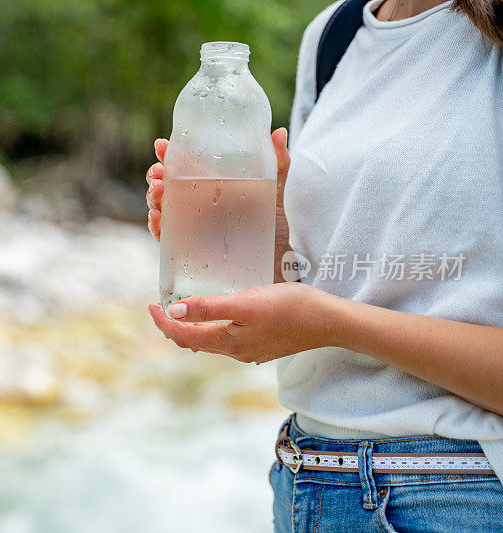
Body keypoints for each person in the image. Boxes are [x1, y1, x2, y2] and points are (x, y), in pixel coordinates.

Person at [145, 0, 503, 530]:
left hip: (458, 497)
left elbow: (328, 313)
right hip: (304, 479)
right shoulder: (335, 34)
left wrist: (327, 321)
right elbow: (326, 278)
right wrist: (270, 245)